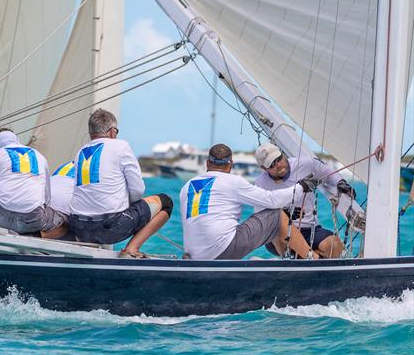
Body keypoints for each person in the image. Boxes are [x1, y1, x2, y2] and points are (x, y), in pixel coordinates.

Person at [180, 143, 318, 260]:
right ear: (231, 164)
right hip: (222, 250)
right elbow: (272, 201)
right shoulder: (232, 181)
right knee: (277, 214)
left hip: (194, 256)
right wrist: (302, 187)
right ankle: (312, 260)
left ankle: (289, 260)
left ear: (207, 163)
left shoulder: (187, 186)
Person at [70, 109, 173, 258]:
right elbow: (138, 190)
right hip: (110, 228)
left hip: (79, 228)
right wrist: (128, 206)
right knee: (166, 202)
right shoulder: (120, 146)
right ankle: (132, 249)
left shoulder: (80, 152)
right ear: (112, 131)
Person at [253, 143, 354, 258]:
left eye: (278, 159)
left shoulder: (306, 164)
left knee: (335, 246)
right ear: (264, 169)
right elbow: (261, 218)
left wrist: (340, 183)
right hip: (279, 237)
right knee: (276, 226)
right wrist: (285, 213)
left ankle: (307, 260)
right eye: (271, 165)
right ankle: (291, 259)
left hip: (309, 229)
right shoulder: (260, 183)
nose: (278, 165)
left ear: (282, 153)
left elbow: (326, 171)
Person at [0, 127, 67, 238]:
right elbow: (46, 197)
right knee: (64, 223)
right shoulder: (40, 156)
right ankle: (38, 238)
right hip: (32, 219)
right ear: (16, 140)